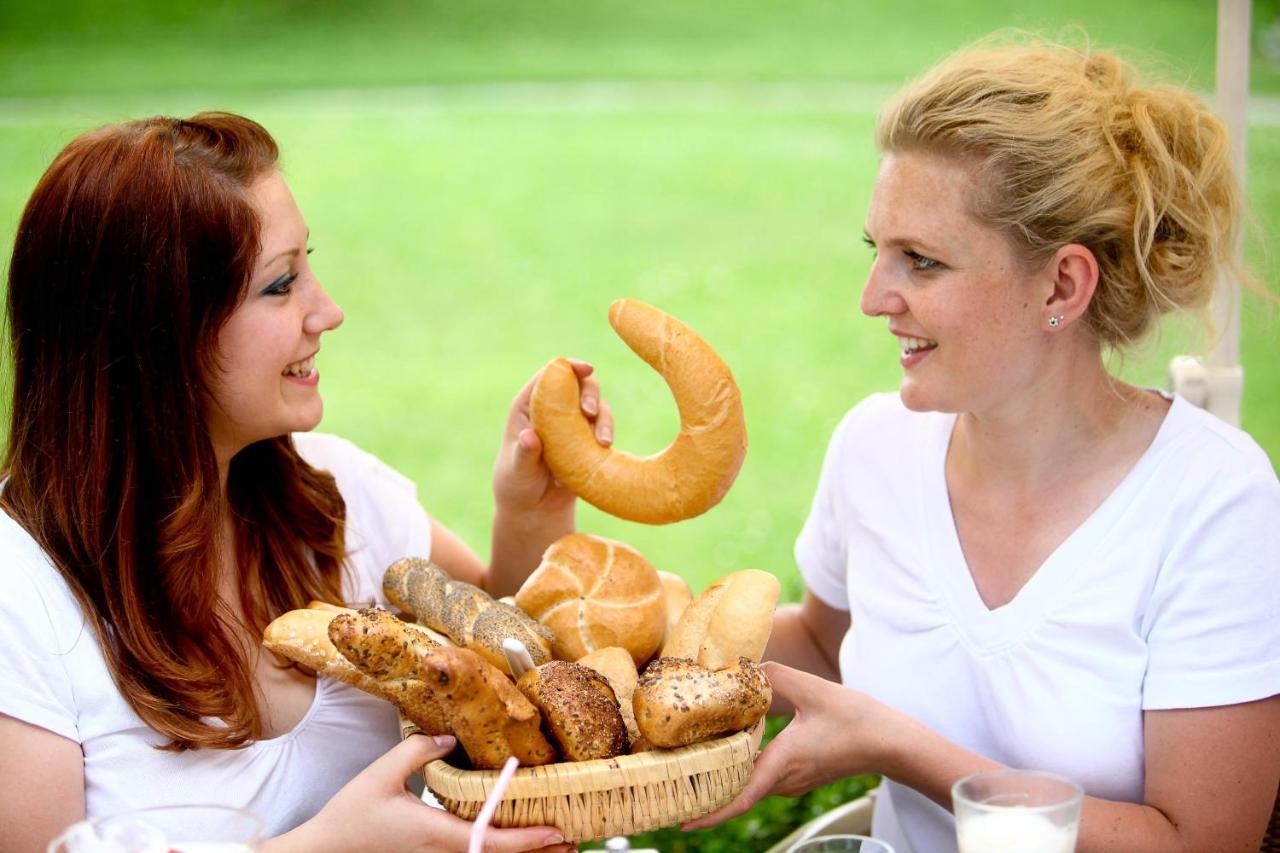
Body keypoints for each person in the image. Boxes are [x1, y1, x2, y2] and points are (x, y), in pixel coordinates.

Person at [686, 37, 1280, 852]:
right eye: (877, 251)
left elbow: (1201, 842)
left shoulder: (1213, 496)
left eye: (921, 262)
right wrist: (661, 622)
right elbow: (827, 643)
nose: (871, 298)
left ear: (1062, 285)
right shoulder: (875, 447)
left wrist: (896, 745)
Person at [0, 112, 607, 852]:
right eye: (281, 284)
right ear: (155, 331)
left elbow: (503, 652)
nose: (328, 310)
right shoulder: (18, 591)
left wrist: (530, 508)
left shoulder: (335, 490)